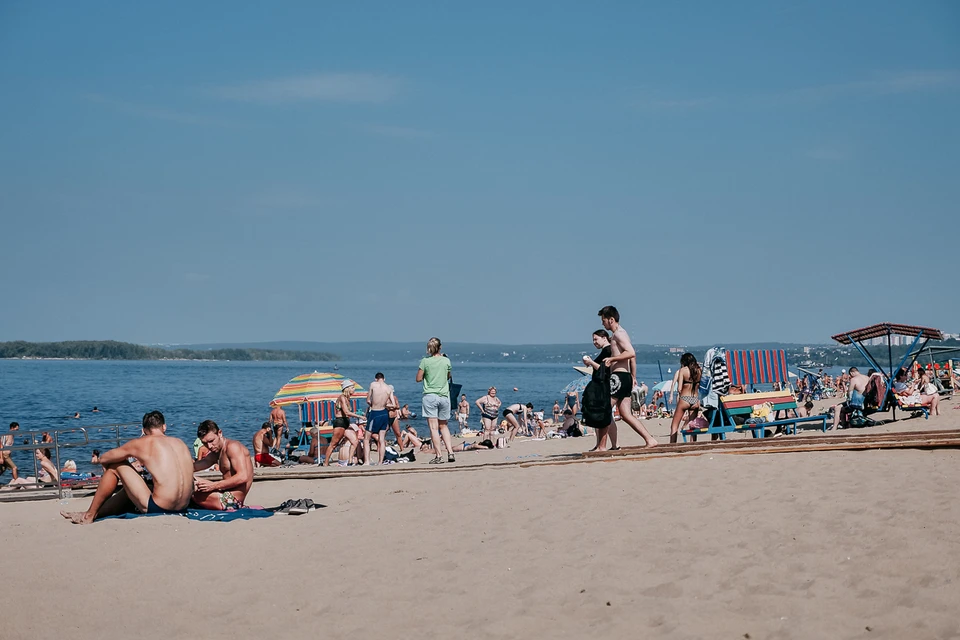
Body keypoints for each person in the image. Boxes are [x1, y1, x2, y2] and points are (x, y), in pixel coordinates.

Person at [60, 410, 194, 524]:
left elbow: (106, 457)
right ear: (164, 427)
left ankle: (89, 515)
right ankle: (96, 514)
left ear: (144, 430)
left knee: (115, 466)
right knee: (132, 489)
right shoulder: (180, 443)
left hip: (159, 508)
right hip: (183, 506)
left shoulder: (144, 442)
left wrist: (106, 466)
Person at [598, 306, 658, 447]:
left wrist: (612, 359)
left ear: (611, 319)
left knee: (604, 409)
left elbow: (631, 353)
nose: (603, 324)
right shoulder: (621, 334)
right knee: (625, 413)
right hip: (625, 376)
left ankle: (601, 446)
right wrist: (633, 376)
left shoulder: (619, 334)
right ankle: (650, 439)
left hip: (618, 377)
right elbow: (632, 359)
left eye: (604, 320)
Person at [192, 420, 254, 510]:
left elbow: (243, 476)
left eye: (211, 441)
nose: (209, 446)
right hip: (223, 493)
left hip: (232, 501)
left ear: (220, 433)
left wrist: (213, 485)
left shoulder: (233, 447)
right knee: (186, 479)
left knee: (189, 487)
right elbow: (196, 466)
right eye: (205, 443)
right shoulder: (217, 452)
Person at [416, 337, 455, 464]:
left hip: (430, 395)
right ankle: (450, 452)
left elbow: (418, 378)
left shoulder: (425, 361)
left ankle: (439, 455)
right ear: (440, 347)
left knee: (433, 428)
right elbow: (448, 376)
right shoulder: (446, 361)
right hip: (444, 395)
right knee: (444, 426)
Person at [581, 329, 615, 450]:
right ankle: (601, 444)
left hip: (603, 384)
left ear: (604, 338)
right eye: (593, 340)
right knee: (599, 415)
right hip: (599, 384)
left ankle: (603, 445)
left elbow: (603, 369)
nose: (594, 342)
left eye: (596, 339)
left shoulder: (608, 350)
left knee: (602, 414)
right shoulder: (604, 351)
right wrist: (590, 363)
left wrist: (590, 362)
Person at [323, 381, 362, 467]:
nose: (354, 389)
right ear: (347, 389)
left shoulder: (348, 399)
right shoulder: (342, 398)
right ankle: (326, 463)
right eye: (352, 388)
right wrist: (359, 416)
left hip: (346, 423)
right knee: (333, 444)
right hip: (340, 423)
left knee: (355, 441)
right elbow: (346, 412)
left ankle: (350, 461)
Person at [669, 353, 702, 443]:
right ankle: (693, 445)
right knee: (693, 426)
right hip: (695, 399)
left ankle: (672, 446)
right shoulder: (699, 370)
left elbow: (679, 388)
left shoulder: (683, 370)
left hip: (685, 399)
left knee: (674, 426)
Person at [365, 372, 395, 466]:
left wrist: (373, 404)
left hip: (375, 412)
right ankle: (380, 462)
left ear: (376, 379)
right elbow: (393, 405)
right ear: (384, 379)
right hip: (384, 413)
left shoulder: (373, 385)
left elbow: (368, 400)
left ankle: (367, 461)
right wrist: (385, 404)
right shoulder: (388, 388)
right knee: (381, 439)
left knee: (366, 439)